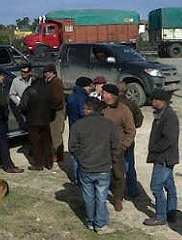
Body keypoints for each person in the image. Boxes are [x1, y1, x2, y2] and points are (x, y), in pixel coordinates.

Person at [68, 97, 121, 234]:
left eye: (84, 108)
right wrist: (112, 161)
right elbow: (116, 146)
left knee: (88, 197)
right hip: (103, 168)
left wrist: (80, 159)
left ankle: (91, 222)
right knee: (101, 197)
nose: (82, 110)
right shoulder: (109, 125)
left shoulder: (78, 125)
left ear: (90, 110)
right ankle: (101, 224)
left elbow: (72, 147)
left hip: (86, 168)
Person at [143, 89, 180, 226]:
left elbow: (169, 139)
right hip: (165, 157)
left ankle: (160, 216)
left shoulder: (169, 116)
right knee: (169, 185)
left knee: (156, 186)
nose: (152, 102)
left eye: (154, 100)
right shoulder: (163, 114)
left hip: (164, 158)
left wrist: (154, 149)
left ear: (161, 101)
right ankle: (171, 212)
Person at [101, 84, 136, 212]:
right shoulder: (101, 107)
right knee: (102, 173)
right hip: (101, 147)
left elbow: (131, 130)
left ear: (111, 95)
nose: (101, 94)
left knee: (118, 175)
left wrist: (124, 145)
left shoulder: (123, 110)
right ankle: (101, 197)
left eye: (104, 93)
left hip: (117, 148)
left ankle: (117, 199)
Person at [19, 74, 59, 171]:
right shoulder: (49, 90)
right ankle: (49, 163)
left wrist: (28, 114)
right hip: (45, 120)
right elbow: (55, 104)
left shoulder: (29, 90)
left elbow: (23, 106)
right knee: (47, 142)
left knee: (35, 143)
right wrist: (50, 115)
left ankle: (38, 164)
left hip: (32, 121)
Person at [117, 82, 144, 199]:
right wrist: (132, 126)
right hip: (128, 139)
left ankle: (117, 190)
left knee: (114, 166)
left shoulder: (112, 104)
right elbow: (139, 119)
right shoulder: (131, 104)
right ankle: (132, 190)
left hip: (115, 140)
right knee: (129, 166)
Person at [67, 77, 93, 183]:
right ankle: (80, 177)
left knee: (74, 154)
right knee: (83, 154)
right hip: (82, 129)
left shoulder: (71, 96)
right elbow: (83, 113)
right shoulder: (82, 97)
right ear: (84, 86)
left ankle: (76, 177)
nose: (90, 88)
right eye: (89, 86)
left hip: (73, 126)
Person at [43, 64, 66, 165]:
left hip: (56, 111)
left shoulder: (56, 82)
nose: (45, 74)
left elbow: (58, 99)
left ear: (52, 72)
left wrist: (50, 107)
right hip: (53, 111)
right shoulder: (49, 81)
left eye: (47, 72)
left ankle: (59, 155)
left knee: (56, 134)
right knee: (52, 134)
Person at [9, 64, 34, 129]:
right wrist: (18, 103)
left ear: (30, 72)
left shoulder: (34, 80)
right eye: (22, 71)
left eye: (25, 72)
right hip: (23, 106)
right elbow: (12, 94)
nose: (23, 73)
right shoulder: (16, 81)